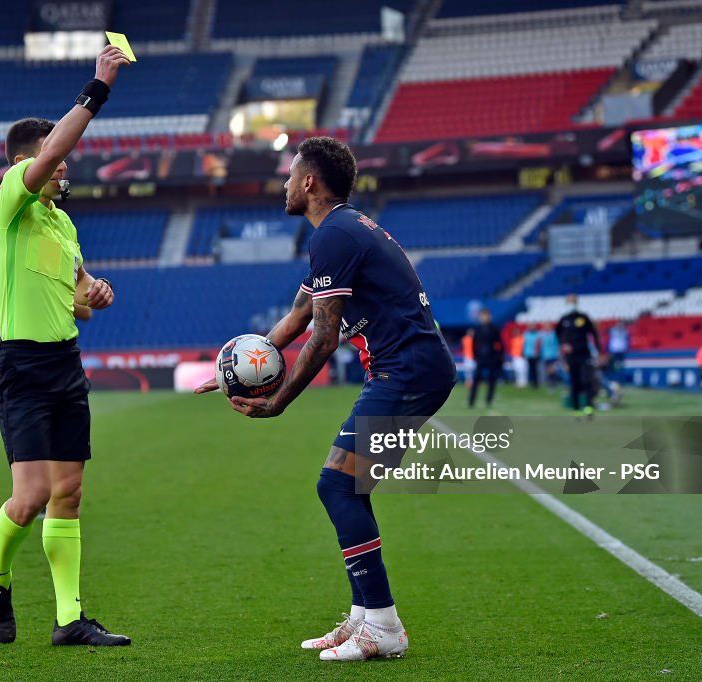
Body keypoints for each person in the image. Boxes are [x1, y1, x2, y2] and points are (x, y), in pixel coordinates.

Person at [196, 137, 456, 662]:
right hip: (408, 368)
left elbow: (323, 333)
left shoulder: (333, 234)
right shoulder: (340, 231)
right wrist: (232, 374)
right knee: (345, 486)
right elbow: (296, 318)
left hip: (407, 370)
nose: (285, 185)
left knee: (337, 486)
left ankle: (382, 624)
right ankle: (365, 619)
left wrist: (279, 402)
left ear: (309, 182)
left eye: (291, 176)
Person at [0, 45, 132, 648]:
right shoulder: (8, 207)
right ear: (25, 163)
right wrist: (97, 89)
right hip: (21, 366)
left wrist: (93, 293)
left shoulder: (62, 225)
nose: (66, 169)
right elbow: (59, 149)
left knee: (68, 492)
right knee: (32, 495)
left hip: (65, 364)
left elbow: (75, 297)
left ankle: (69, 620)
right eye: (53, 160)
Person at [556, 294, 600, 417]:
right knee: (574, 382)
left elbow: (594, 334)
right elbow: (558, 335)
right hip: (571, 357)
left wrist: (599, 352)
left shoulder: (583, 318)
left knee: (586, 380)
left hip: (584, 354)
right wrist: (563, 346)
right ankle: (575, 409)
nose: (571, 304)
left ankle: (588, 407)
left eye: (573, 301)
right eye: (569, 301)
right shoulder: (564, 320)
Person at [467, 308, 505, 408]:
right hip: (480, 358)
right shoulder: (477, 329)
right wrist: (475, 356)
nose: (485, 317)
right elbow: (474, 344)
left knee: (491, 380)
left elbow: (500, 344)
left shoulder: (494, 329)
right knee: (476, 379)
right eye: (483, 315)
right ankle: (471, 401)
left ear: (490, 316)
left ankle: (488, 401)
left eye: (486, 315)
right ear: (480, 317)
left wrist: (499, 356)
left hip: (492, 358)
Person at [539, 322, 561, 389]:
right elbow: (541, 345)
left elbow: (557, 344)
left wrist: (558, 353)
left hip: (553, 354)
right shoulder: (542, 334)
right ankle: (551, 382)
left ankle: (553, 383)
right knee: (548, 370)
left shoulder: (554, 334)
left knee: (552, 369)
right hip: (545, 355)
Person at [523, 324, 540, 388]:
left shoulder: (537, 334)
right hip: (528, 354)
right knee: (530, 368)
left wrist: (537, 352)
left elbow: (538, 344)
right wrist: (524, 352)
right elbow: (525, 344)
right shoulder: (526, 334)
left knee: (534, 369)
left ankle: (535, 383)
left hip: (534, 354)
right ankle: (531, 382)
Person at [461, 327, 475, 392]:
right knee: (469, 371)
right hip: (468, 356)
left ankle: (470, 382)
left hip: (471, 356)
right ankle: (468, 383)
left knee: (471, 370)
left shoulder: (467, 339)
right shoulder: (466, 339)